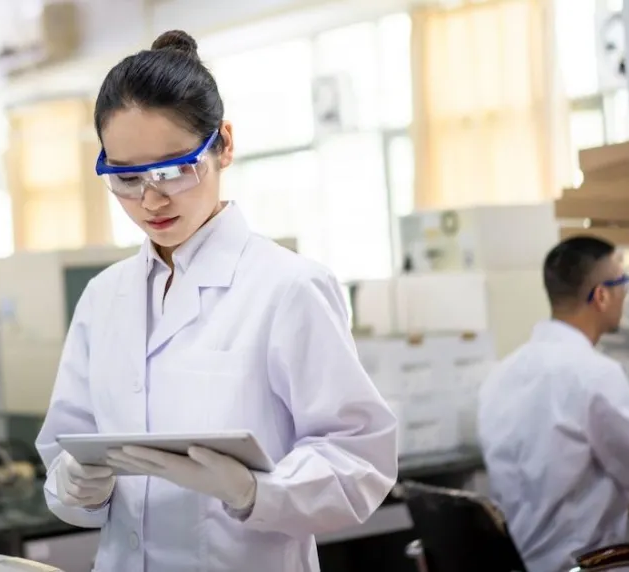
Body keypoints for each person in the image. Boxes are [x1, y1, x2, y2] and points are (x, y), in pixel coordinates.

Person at [34, 29, 398, 572]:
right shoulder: (102, 299)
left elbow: (358, 460)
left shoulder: (287, 288)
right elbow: (63, 467)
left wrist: (254, 490)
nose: (151, 198)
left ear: (223, 144)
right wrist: (76, 482)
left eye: (175, 169)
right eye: (126, 178)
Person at [478, 235, 629, 572]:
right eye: (623, 282)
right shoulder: (593, 375)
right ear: (602, 295)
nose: (626, 293)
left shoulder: (501, 375)